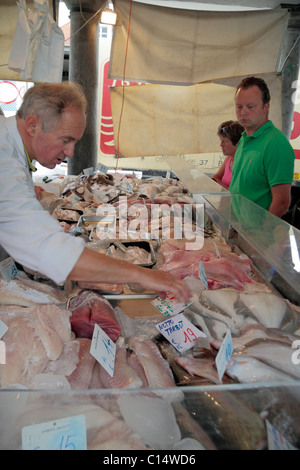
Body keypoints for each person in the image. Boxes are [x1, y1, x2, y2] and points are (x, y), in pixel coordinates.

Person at [0, 82, 191, 302]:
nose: (70, 153)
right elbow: (44, 248)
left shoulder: (10, 147)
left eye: (74, 142)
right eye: (66, 140)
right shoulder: (4, 159)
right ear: (33, 125)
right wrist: (139, 274)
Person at [229, 76, 295, 218]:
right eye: (239, 107)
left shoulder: (276, 144)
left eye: (250, 107)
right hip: (239, 230)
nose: (243, 112)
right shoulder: (243, 139)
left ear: (266, 107)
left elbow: (282, 202)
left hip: (258, 236)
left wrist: (262, 234)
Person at [212, 120, 244, 189]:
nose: (221, 145)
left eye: (224, 141)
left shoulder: (243, 163)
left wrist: (220, 185)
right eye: (220, 140)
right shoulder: (229, 159)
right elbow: (217, 176)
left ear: (237, 143)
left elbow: (238, 194)